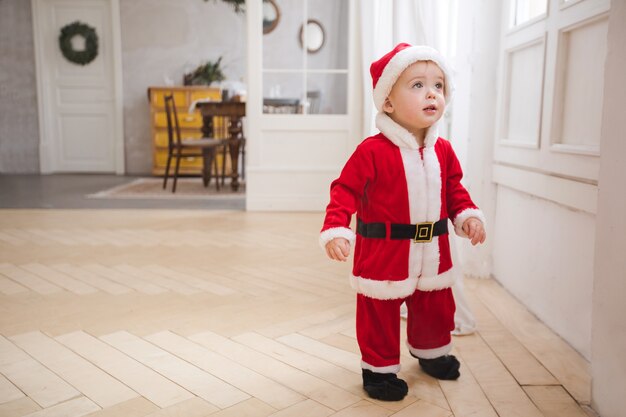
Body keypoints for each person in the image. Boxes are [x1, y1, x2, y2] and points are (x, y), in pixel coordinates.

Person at [319, 43, 486, 402]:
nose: (432, 93)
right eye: (417, 85)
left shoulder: (443, 150)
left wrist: (467, 216)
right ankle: (378, 370)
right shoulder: (372, 151)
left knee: (436, 306)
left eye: (438, 85)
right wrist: (337, 229)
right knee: (379, 310)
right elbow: (344, 190)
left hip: (434, 250)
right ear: (388, 103)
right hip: (384, 251)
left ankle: (432, 352)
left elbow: (455, 190)